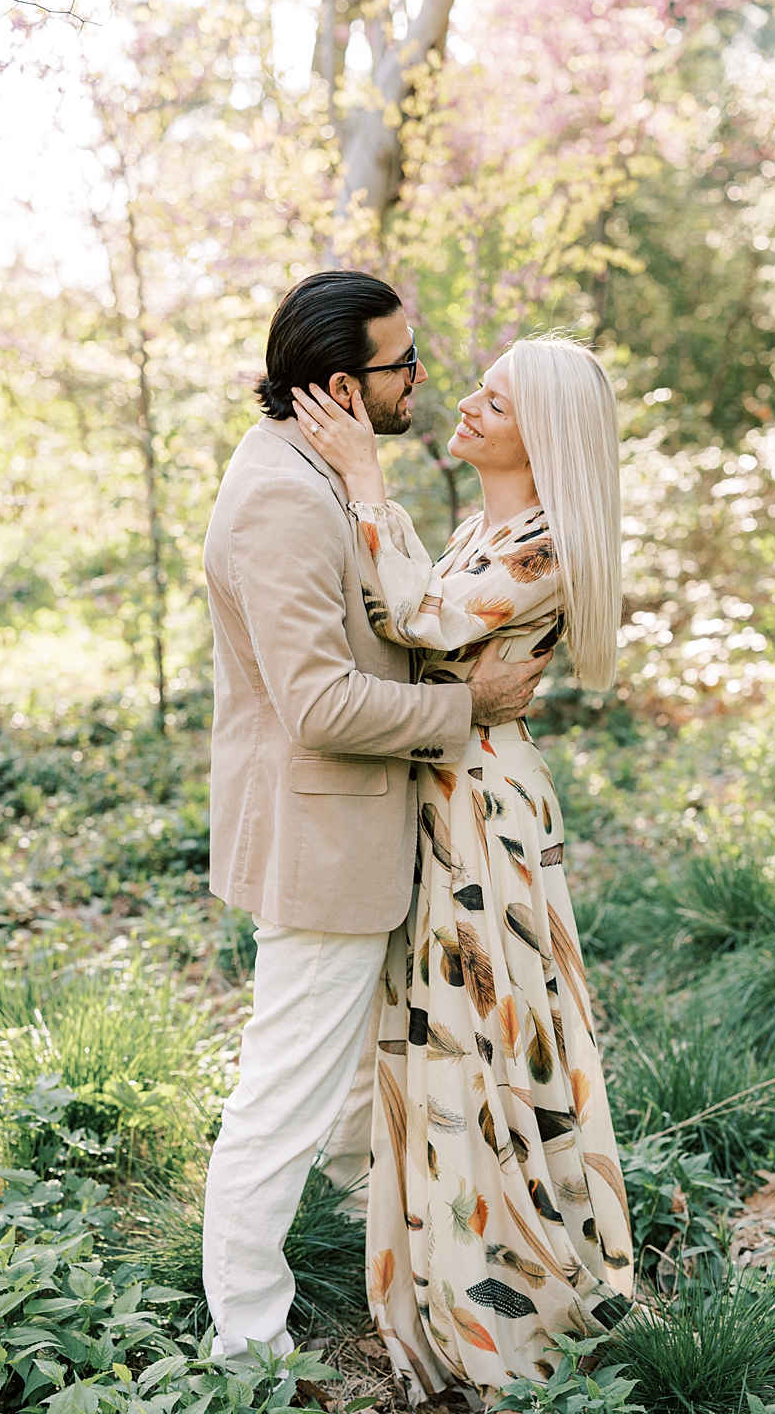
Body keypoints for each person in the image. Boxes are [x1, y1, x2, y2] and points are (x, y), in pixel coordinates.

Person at [199, 270, 551, 1368]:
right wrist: (469, 703)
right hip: (323, 838)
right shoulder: (279, 497)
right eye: (404, 362)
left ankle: (379, 1250)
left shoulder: (324, 476)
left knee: (352, 1078)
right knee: (284, 1093)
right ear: (345, 384)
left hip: (366, 833)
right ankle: (243, 1340)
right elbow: (318, 702)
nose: (421, 380)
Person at [292, 335, 634, 1401]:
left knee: (479, 1020)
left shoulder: (538, 540)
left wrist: (358, 474)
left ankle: (504, 1277)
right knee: (441, 1016)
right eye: (480, 387)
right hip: (448, 781)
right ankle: (452, 1247)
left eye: (499, 396)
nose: (470, 402)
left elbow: (418, 619)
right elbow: (425, 631)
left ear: (545, 431)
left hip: (481, 804)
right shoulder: (485, 525)